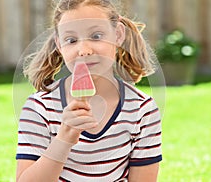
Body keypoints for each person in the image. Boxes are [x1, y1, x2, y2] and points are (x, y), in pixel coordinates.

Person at [16, 0, 162, 181]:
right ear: (59, 45)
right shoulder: (39, 107)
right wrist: (63, 140)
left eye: (96, 36)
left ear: (118, 35)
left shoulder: (142, 109)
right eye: (71, 40)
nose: (84, 50)